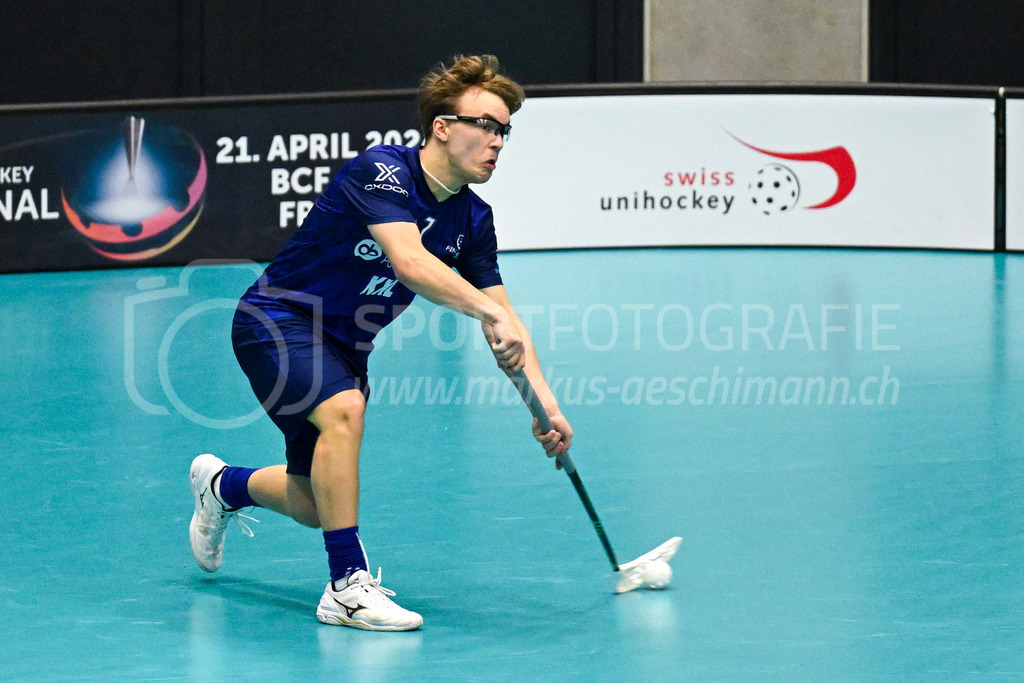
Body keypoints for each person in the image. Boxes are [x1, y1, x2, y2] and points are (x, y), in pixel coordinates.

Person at [189, 55, 572, 632]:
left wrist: (544, 407)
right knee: (345, 410)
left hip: (344, 349)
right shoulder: (383, 171)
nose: (498, 140)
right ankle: (346, 587)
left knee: (316, 504)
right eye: (486, 124)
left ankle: (222, 486)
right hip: (277, 319)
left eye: (505, 130)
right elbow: (411, 261)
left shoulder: (473, 219)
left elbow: (507, 328)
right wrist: (486, 308)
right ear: (442, 126)